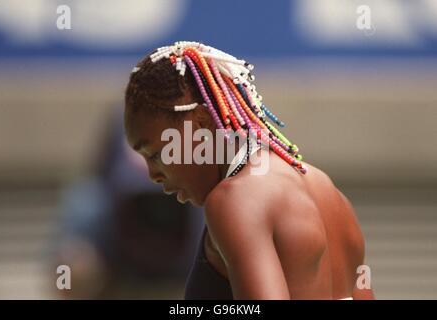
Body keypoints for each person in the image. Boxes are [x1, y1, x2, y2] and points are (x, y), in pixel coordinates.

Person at [124, 41, 374, 300]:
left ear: (201, 123)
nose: (152, 174)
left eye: (155, 154)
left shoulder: (236, 201)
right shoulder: (325, 188)